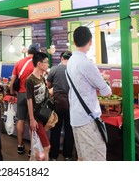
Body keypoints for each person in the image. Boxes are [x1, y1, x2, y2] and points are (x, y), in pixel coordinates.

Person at [66, 26, 111, 161]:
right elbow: (107, 92)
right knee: (96, 157)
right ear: (90, 42)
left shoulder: (71, 61)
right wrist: (102, 80)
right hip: (88, 118)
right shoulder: (86, 63)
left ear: (74, 42)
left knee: (82, 157)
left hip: (76, 115)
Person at [9, 43, 40, 155]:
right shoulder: (37, 64)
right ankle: (32, 148)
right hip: (33, 96)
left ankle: (20, 145)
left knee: (20, 120)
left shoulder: (19, 63)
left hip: (21, 94)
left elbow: (12, 80)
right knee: (33, 121)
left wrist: (12, 94)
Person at [47, 51, 75, 161]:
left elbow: (48, 85)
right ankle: (67, 155)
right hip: (71, 103)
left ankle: (53, 155)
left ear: (61, 58)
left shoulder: (54, 69)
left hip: (58, 103)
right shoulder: (74, 70)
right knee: (69, 129)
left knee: (55, 129)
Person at [26, 52, 51, 161]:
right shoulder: (30, 80)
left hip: (42, 116)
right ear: (39, 64)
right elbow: (29, 100)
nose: (48, 65)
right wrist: (31, 119)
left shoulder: (42, 78)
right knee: (46, 146)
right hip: (36, 117)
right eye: (46, 62)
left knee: (39, 147)